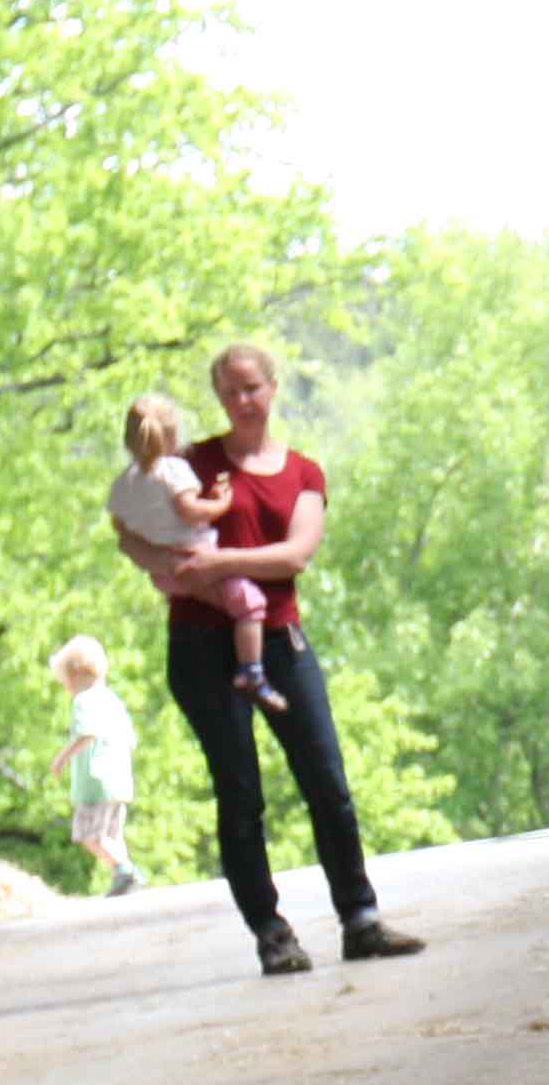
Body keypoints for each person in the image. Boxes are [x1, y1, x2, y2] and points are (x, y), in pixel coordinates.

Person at [110, 342, 426, 978]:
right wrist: (173, 569)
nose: (242, 401)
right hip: (200, 643)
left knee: (326, 781)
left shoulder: (301, 472)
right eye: (229, 392)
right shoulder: (189, 462)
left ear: (274, 388)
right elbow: (129, 531)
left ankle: (360, 919)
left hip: (279, 640)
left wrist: (218, 564)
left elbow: (295, 555)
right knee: (240, 793)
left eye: (252, 388)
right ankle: (272, 934)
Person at [108, 392, 286, 711]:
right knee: (250, 604)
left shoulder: (123, 483)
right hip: (197, 558)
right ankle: (252, 672)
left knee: (216, 602)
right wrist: (220, 503)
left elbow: (121, 528)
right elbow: (189, 511)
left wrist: (156, 540)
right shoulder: (174, 469)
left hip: (163, 574)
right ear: (171, 436)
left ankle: (221, 648)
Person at [46, 634, 145, 896]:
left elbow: (87, 734)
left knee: (89, 834)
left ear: (75, 674)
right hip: (120, 780)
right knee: (112, 835)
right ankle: (124, 879)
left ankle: (125, 869)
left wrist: (62, 757)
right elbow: (131, 739)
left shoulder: (84, 701)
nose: (67, 688)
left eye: (66, 681)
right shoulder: (112, 700)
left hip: (96, 782)